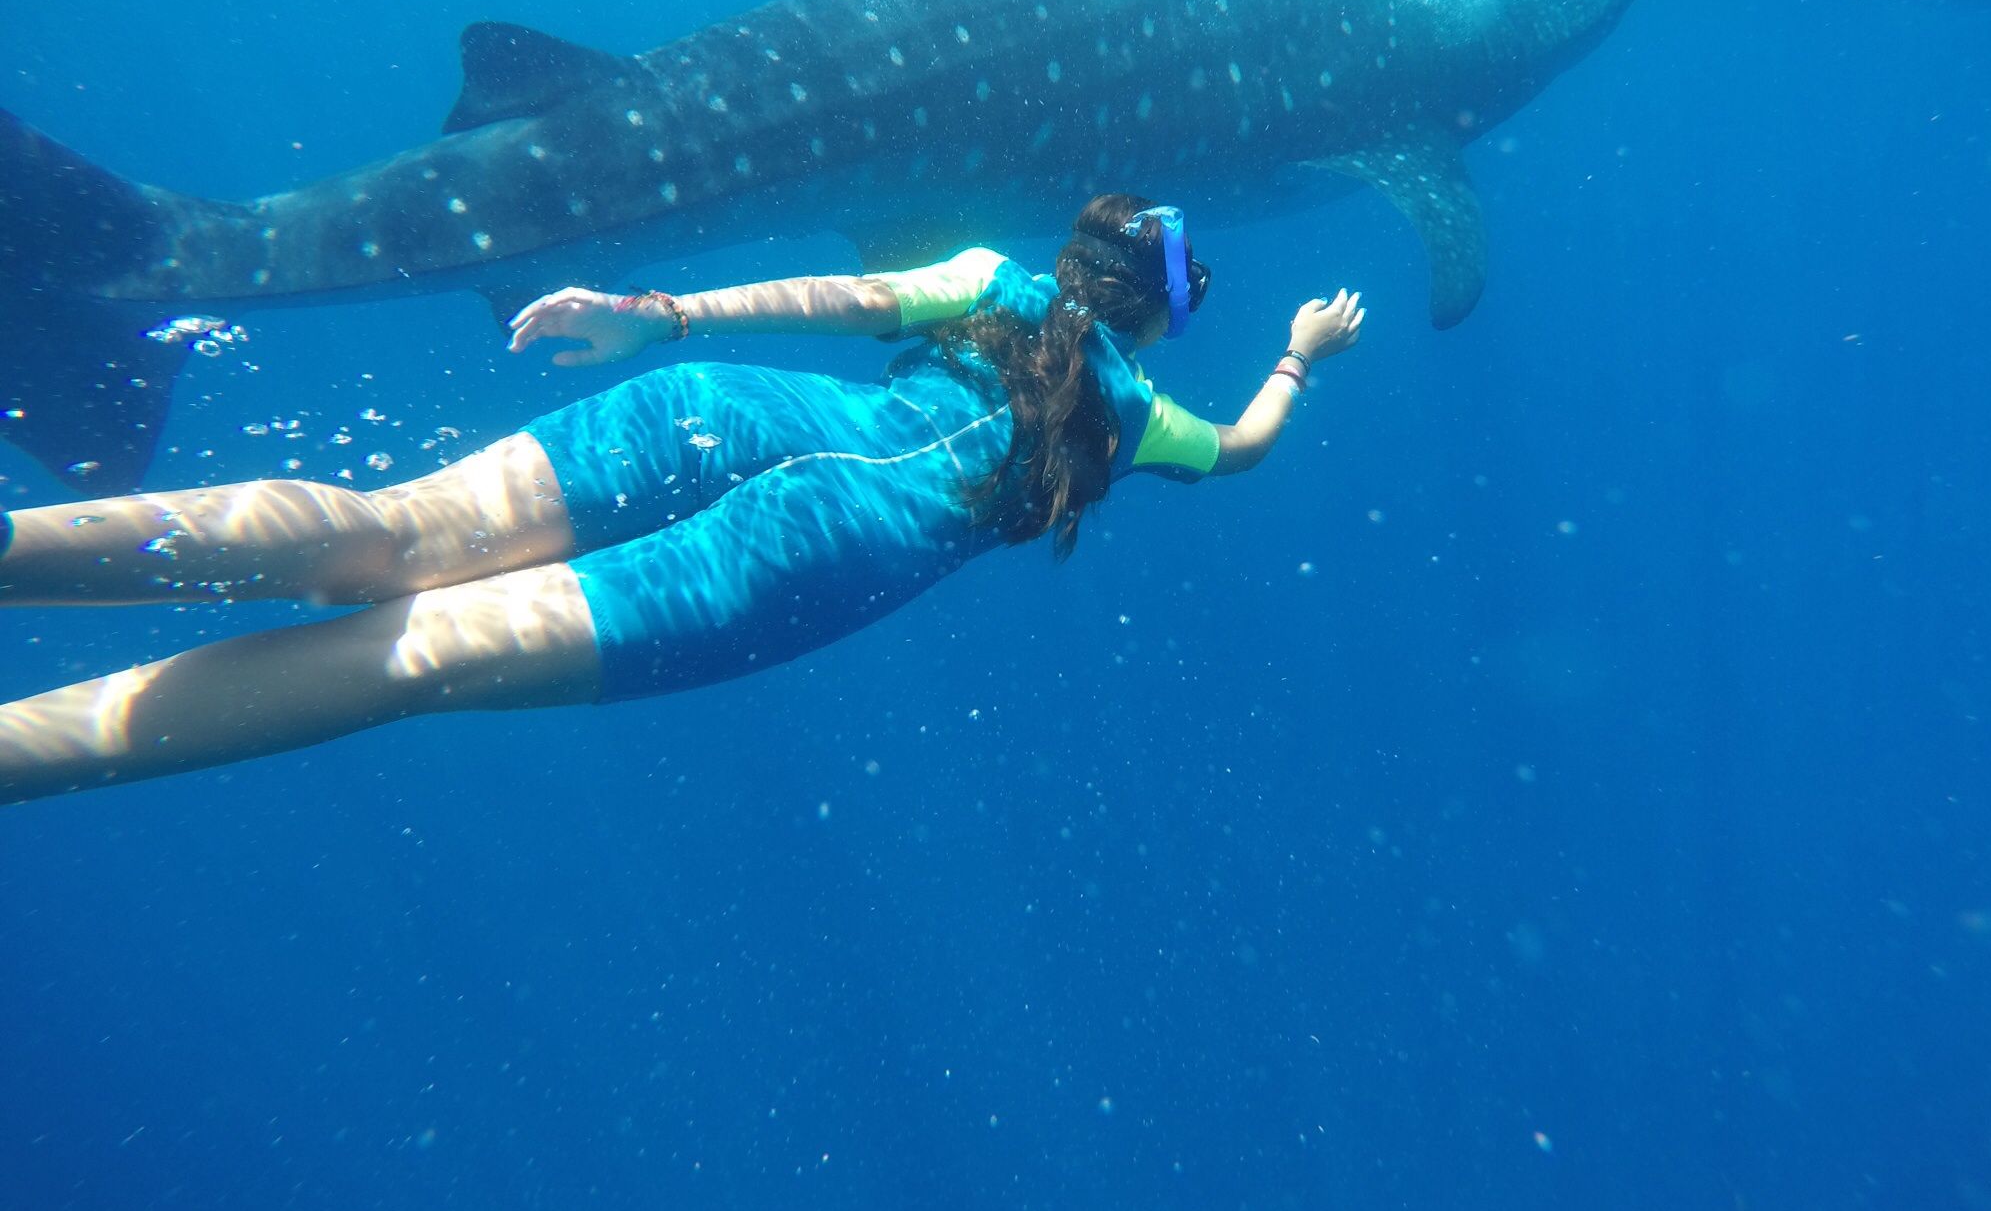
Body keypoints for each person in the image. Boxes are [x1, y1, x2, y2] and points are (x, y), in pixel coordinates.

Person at [0, 193, 1363, 803]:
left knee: (384, 527)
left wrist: (656, 313)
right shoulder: (1139, 416)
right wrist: (1301, 354)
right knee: (411, 653)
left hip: (719, 403)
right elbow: (1247, 445)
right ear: (1161, 317)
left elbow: (840, 299)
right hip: (810, 555)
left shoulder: (987, 277)